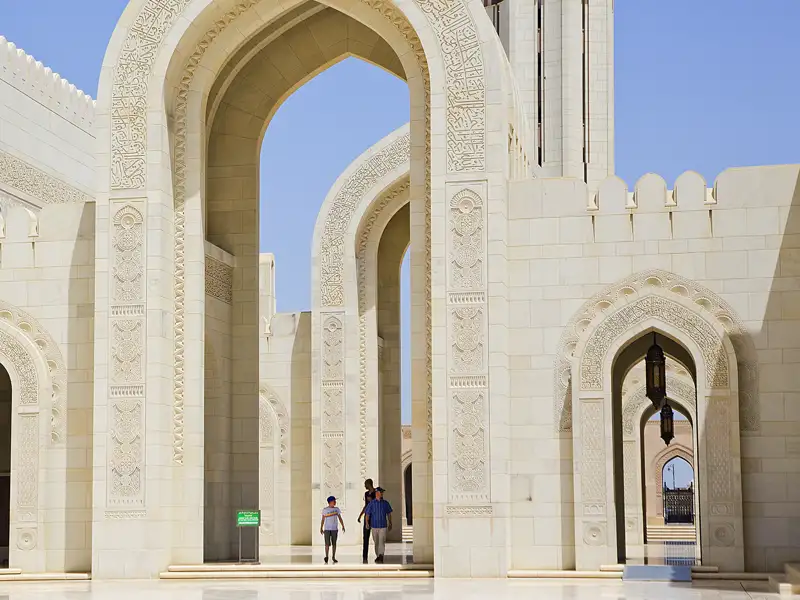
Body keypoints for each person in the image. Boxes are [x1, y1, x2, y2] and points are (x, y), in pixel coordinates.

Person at [364, 487, 392, 563]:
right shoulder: (372, 503)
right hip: (374, 526)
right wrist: (367, 523)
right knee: (376, 541)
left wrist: (390, 522)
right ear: (377, 493)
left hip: (383, 525)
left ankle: (381, 555)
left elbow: (389, 513)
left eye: (382, 492)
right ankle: (378, 555)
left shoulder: (385, 503)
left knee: (382, 541)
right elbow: (367, 514)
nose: (382, 494)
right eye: (381, 492)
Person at [320, 495, 345, 564]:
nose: (335, 502)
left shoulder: (337, 509)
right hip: (327, 529)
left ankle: (333, 557)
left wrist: (343, 525)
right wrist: (321, 527)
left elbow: (340, 518)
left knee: (334, 543)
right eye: (334, 501)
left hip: (334, 529)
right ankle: (326, 556)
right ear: (330, 502)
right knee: (327, 544)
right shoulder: (325, 510)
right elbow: (323, 519)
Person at [357, 478, 376, 564]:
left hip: (375, 517)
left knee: (376, 537)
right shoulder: (366, 494)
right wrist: (360, 515)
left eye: (365, 484)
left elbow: (378, 503)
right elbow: (366, 506)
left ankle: (379, 555)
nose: (364, 486)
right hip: (367, 518)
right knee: (365, 537)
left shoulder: (377, 492)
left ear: (369, 484)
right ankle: (365, 556)